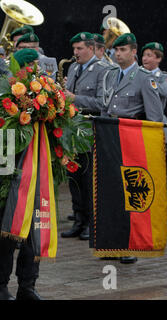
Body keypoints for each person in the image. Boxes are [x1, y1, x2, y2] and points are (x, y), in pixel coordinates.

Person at [102, 33, 164, 264]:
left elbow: (155, 116)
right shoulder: (110, 75)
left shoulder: (144, 78)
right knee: (113, 194)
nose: (118, 54)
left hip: (133, 140)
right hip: (110, 137)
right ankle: (114, 242)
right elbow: (105, 108)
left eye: (123, 50)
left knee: (133, 194)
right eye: (116, 51)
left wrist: (158, 147)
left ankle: (131, 244)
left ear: (134, 52)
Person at [0, 48, 43, 301]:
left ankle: (28, 285)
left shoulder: (44, 93)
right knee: (9, 230)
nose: (34, 69)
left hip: (39, 168)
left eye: (36, 65)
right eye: (28, 65)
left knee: (36, 231)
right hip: (12, 170)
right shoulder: (2, 93)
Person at [61, 32, 109, 241]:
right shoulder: (72, 67)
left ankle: (92, 222)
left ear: (91, 48)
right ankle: (79, 220)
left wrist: (74, 98)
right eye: (74, 49)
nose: (75, 53)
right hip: (71, 131)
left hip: (89, 132)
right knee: (74, 178)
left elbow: (102, 104)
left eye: (80, 49)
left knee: (89, 180)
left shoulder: (103, 70)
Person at [141, 42, 167, 144]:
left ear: (158, 59)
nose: (144, 58)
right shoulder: (137, 74)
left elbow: (164, 91)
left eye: (149, 55)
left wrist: (147, 79)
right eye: (143, 55)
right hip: (140, 121)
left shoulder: (165, 77)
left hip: (157, 122)